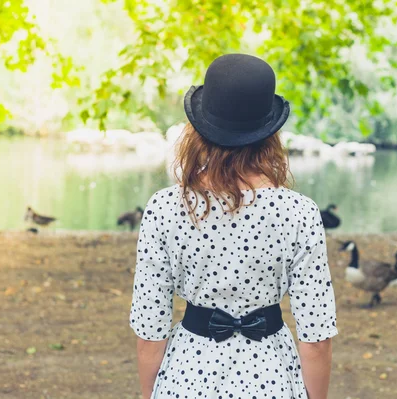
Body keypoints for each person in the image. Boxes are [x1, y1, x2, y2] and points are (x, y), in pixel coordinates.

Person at [129, 53, 338, 399]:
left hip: (186, 379)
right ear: (269, 132)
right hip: (270, 378)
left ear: (200, 128)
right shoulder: (299, 213)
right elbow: (316, 339)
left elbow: (151, 332)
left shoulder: (164, 208)